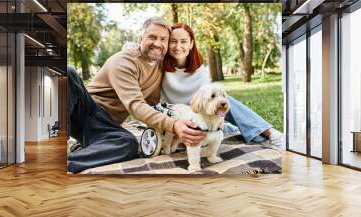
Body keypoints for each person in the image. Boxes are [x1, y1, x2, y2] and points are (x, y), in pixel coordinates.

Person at [67, 17, 206, 173]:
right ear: (142, 38)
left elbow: (154, 102)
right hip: (86, 110)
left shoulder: (160, 64)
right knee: (68, 73)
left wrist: (193, 118)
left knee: (128, 144)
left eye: (163, 39)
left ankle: (75, 159)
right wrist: (174, 125)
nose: (157, 43)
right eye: (152, 37)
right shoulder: (123, 61)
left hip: (105, 127)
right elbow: (136, 105)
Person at [125, 22, 283, 148]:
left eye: (183, 42)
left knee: (226, 101)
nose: (177, 46)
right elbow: (145, 53)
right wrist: (132, 48)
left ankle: (270, 133)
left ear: (191, 43)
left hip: (196, 112)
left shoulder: (200, 71)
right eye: (173, 41)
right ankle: (235, 128)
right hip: (172, 113)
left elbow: (208, 101)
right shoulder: (160, 64)